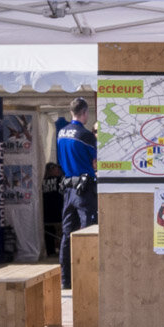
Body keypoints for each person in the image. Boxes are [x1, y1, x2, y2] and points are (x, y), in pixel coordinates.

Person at [56, 97, 98, 288]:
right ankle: (86, 279)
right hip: (84, 189)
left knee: (66, 235)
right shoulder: (85, 135)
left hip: (68, 189)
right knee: (87, 232)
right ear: (84, 113)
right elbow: (96, 162)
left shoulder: (61, 133)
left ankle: (66, 280)